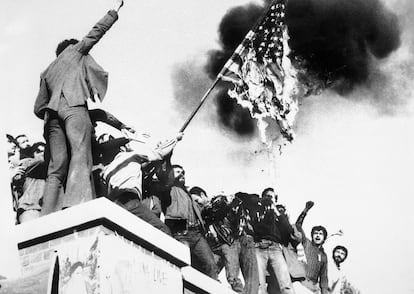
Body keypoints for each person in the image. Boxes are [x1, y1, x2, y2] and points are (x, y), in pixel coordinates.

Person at [34, 0, 125, 216]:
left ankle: (48, 211)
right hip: (73, 106)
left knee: (57, 167)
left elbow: (38, 107)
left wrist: (56, 108)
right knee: (81, 153)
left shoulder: (46, 72)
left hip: (51, 118)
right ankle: (77, 204)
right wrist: (115, 10)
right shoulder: (74, 51)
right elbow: (95, 32)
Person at [100, 132, 183, 235]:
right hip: (130, 201)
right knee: (163, 231)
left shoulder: (106, 171)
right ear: (122, 149)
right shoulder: (132, 156)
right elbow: (158, 153)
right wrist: (175, 139)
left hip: (115, 205)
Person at [160, 164, 218, 280]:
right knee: (183, 266)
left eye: (183, 172)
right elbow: (164, 177)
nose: (182, 174)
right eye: (177, 172)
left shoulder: (188, 194)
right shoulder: (169, 189)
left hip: (196, 234)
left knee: (211, 265)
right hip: (181, 234)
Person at [253, 188, 295, 294]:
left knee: (285, 282)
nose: (269, 199)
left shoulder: (280, 216)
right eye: (266, 196)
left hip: (275, 248)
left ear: (275, 200)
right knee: (258, 283)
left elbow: (289, 230)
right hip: (259, 246)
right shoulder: (257, 212)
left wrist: (276, 212)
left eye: (271, 197)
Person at [203, 195, 244, 293]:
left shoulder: (228, 210)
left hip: (227, 243)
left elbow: (229, 213)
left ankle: (238, 291)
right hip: (216, 245)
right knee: (211, 272)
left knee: (232, 276)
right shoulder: (209, 213)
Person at [295, 201, 328, 294]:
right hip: (300, 283)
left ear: (324, 238)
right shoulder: (306, 243)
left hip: (313, 287)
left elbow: (324, 278)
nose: (317, 235)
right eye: (315, 233)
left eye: (320, 234)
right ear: (312, 235)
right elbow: (297, 226)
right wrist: (305, 210)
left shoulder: (324, 256)